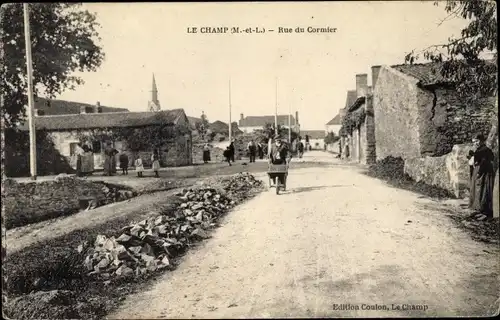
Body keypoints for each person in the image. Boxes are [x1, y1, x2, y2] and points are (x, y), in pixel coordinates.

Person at [469, 134, 495, 218]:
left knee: (482, 190)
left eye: (476, 141)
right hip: (479, 169)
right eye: (474, 142)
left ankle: (484, 210)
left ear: (481, 140)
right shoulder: (480, 149)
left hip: (484, 172)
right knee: (477, 189)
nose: (475, 143)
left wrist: (480, 172)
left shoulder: (485, 150)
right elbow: (478, 159)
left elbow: (485, 161)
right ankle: (478, 209)